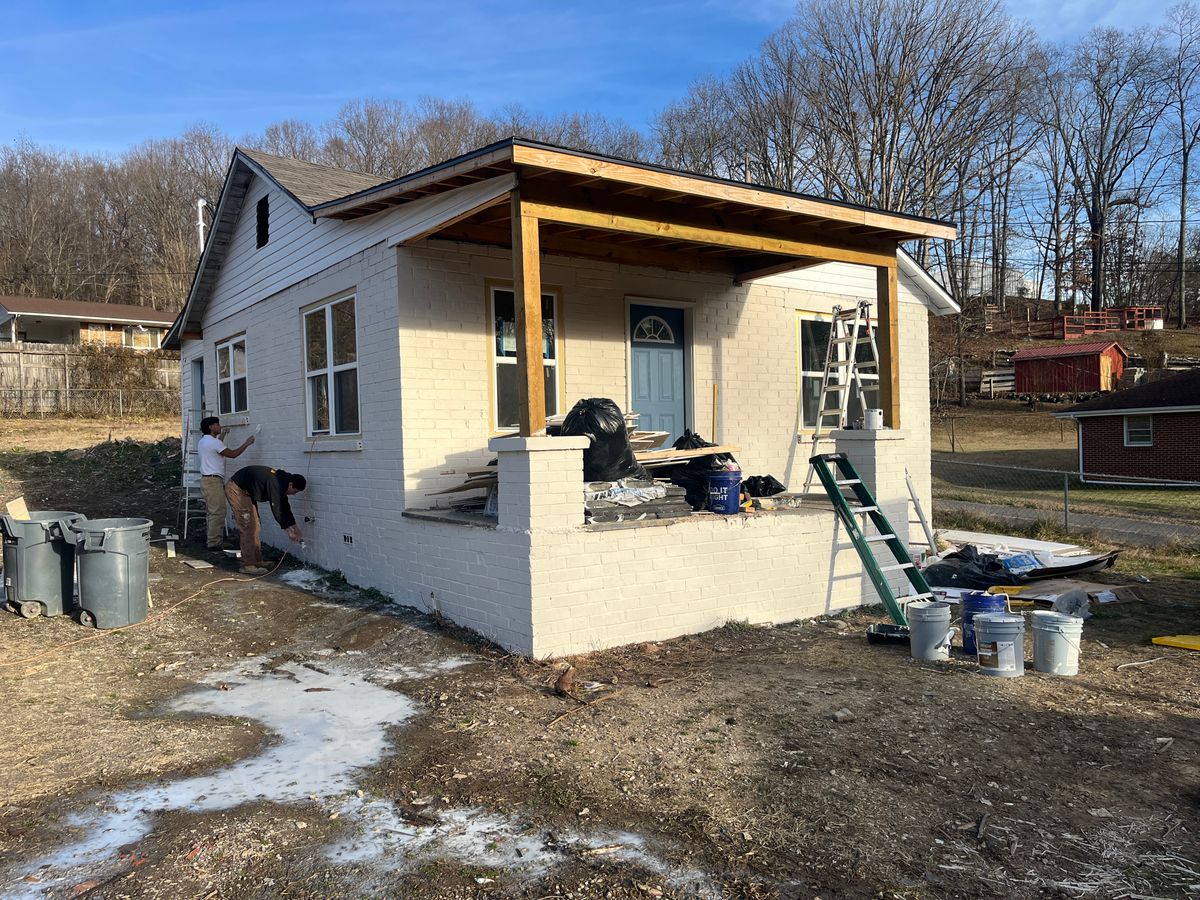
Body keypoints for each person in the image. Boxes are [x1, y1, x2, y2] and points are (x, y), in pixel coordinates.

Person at [225, 465, 306, 575]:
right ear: (291, 484)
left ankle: (257, 561)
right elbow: (276, 508)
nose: (294, 494)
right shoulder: (276, 483)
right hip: (237, 489)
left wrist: (296, 528)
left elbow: (285, 508)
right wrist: (289, 532)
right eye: (294, 491)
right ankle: (248, 565)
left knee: (256, 526)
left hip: (247, 492)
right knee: (248, 526)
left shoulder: (282, 482)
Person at [197, 416, 255, 551]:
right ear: (211, 427)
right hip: (213, 482)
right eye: (217, 424)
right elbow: (233, 454)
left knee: (212, 512)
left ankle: (213, 539)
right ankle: (214, 543)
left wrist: (222, 436)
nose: (220, 426)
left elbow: (216, 449)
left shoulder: (204, 441)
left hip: (207, 480)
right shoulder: (214, 443)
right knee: (218, 512)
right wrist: (247, 443)